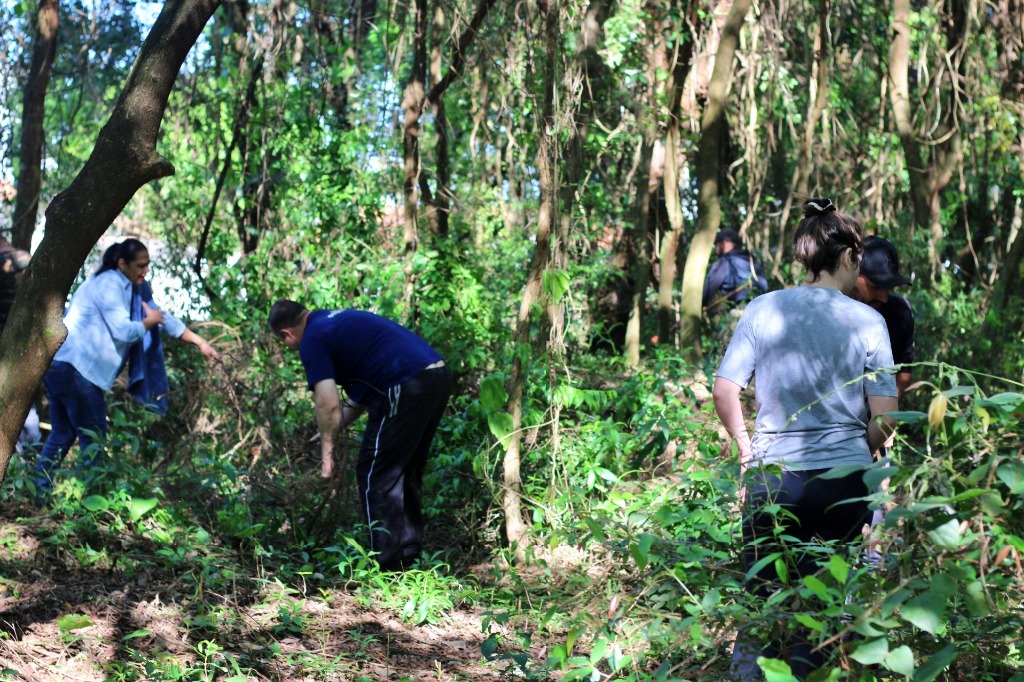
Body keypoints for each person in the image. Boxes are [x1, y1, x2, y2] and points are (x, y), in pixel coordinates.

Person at [712, 198, 898, 680]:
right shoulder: (868, 322)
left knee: (762, 608)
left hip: (774, 480)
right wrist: (863, 443)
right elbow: (887, 418)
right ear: (848, 258)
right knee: (826, 611)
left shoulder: (762, 307)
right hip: (844, 481)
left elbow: (725, 388)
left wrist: (745, 447)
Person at [269, 300, 450, 572]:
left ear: (286, 333)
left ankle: (389, 565)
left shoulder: (312, 339)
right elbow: (355, 402)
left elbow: (327, 404)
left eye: (283, 342)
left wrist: (327, 456)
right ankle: (409, 554)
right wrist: (328, 430)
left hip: (406, 381)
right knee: (405, 467)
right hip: (436, 375)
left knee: (374, 473)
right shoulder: (332, 320)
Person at [33, 238, 218, 498]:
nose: (145, 271)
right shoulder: (110, 283)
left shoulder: (131, 288)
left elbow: (162, 317)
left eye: (148, 265)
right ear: (123, 264)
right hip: (77, 371)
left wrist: (200, 343)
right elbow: (123, 331)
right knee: (94, 442)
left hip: (64, 367)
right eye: (140, 266)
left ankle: (38, 492)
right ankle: (85, 502)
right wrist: (148, 323)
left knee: (62, 434)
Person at [852, 236, 914, 399]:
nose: (884, 297)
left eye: (888, 287)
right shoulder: (830, 308)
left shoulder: (899, 313)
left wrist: (882, 417)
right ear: (852, 271)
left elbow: (903, 373)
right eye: (876, 286)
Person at [1, 234, 41, 450]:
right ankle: (27, 461)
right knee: (23, 407)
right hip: (25, 349)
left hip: (9, 350)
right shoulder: (27, 259)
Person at [703, 228, 769, 314]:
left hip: (742, 311)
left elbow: (707, 292)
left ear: (723, 243)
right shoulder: (751, 259)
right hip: (765, 309)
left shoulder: (723, 262)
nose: (715, 249)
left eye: (716, 244)